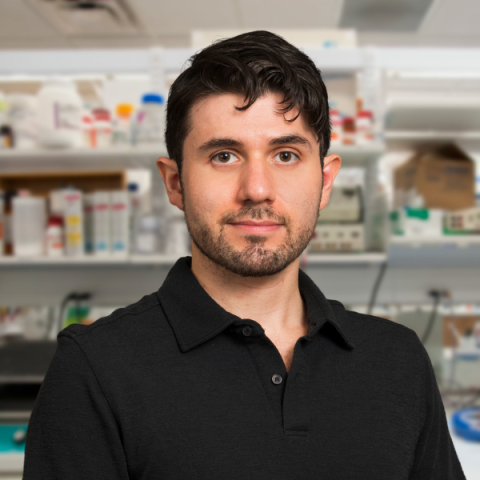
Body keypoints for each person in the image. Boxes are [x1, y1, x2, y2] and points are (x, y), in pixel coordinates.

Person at [23, 31, 465, 480]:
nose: (257, 189)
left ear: (326, 181)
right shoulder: (96, 369)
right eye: (225, 156)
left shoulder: (398, 361)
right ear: (175, 183)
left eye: (287, 154)